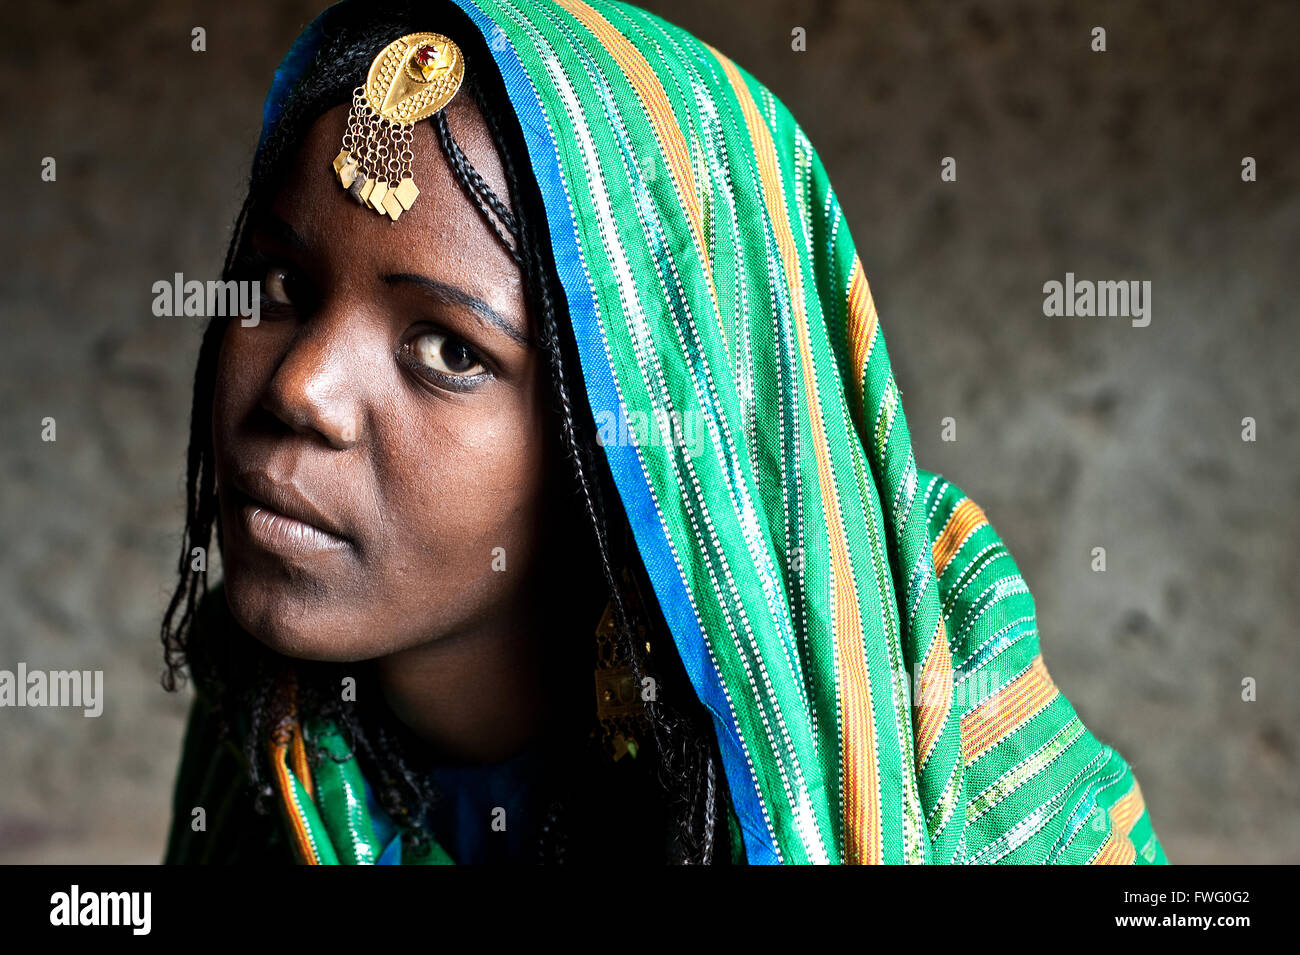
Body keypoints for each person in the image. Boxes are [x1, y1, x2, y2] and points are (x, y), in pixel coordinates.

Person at [162, 0, 1168, 865]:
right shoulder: (271, 723)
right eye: (282, 287)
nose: (301, 387)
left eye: (450, 351)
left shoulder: (928, 736)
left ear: (633, 421)